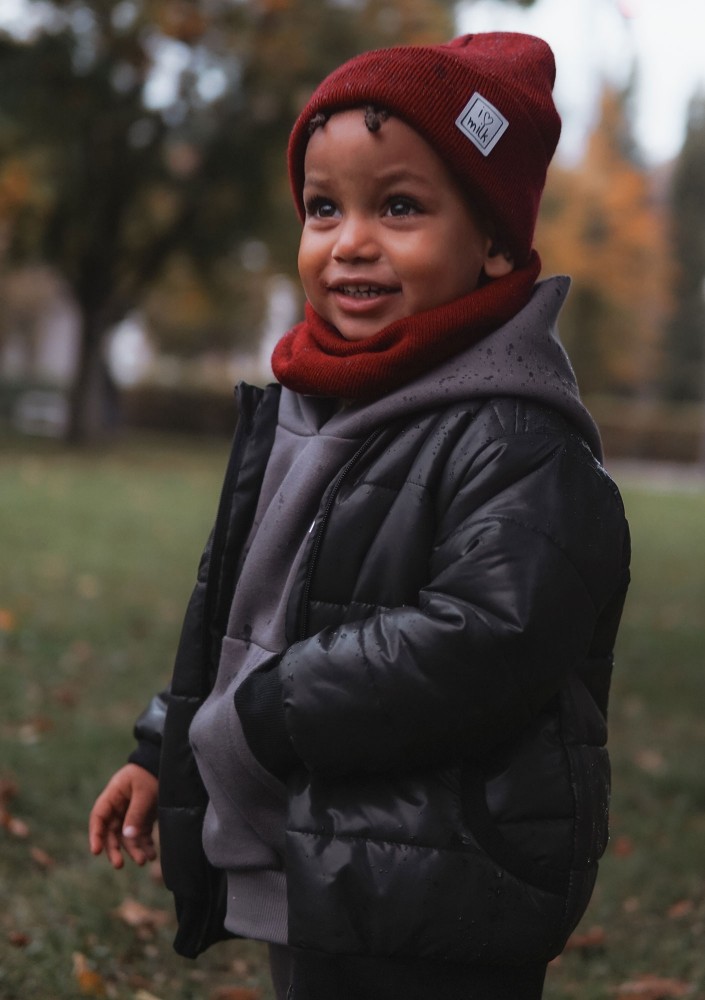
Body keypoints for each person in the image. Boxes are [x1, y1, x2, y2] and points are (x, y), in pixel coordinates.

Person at [89, 32, 631, 1000]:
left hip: (447, 875)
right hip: (324, 855)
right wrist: (165, 743)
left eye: (401, 207)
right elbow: (247, 618)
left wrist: (260, 718)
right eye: (324, 208)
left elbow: (488, 635)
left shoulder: (515, 436)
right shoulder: (311, 411)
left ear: (497, 241)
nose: (351, 242)